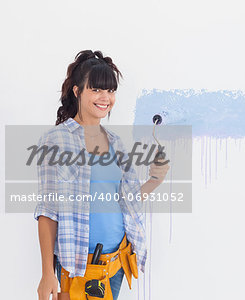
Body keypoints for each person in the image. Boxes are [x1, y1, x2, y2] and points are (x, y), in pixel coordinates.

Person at [35, 50, 170, 300]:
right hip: (77, 268)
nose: (105, 98)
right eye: (96, 89)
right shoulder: (56, 141)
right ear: (77, 92)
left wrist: (154, 181)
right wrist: (46, 273)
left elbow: (126, 201)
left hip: (116, 263)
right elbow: (47, 211)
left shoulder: (116, 142)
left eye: (110, 91)